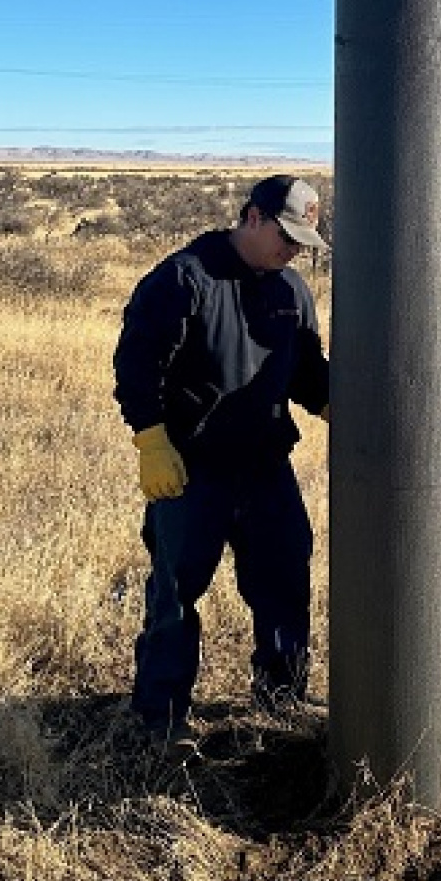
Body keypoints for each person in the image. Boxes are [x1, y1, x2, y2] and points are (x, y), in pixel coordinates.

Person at [112, 175, 331, 739]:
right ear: (253, 217)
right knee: (176, 593)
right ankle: (160, 717)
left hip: (266, 468)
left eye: (303, 243)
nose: (292, 252)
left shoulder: (291, 291)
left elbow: (308, 374)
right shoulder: (184, 278)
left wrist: (344, 409)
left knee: (284, 580)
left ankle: (281, 699)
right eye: (286, 236)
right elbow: (136, 368)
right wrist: (151, 442)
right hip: (192, 470)